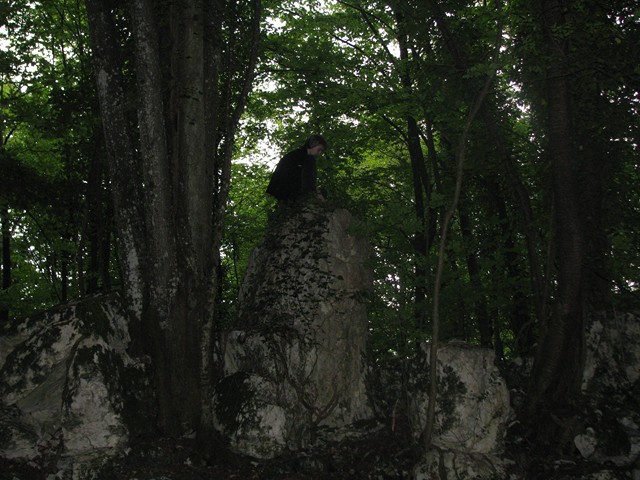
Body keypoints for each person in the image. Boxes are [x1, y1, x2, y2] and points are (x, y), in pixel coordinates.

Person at [266, 135, 327, 202]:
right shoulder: (307, 158)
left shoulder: (294, 154)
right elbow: (308, 180)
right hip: (292, 194)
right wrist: (316, 194)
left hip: (282, 194)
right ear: (313, 144)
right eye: (319, 149)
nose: (319, 153)